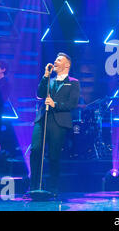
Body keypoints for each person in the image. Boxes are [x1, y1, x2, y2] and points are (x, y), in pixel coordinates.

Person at [28, 52, 80, 197]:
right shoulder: (49, 80)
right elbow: (39, 94)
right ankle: (33, 185)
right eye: (55, 59)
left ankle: (53, 187)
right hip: (42, 118)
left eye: (59, 60)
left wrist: (55, 104)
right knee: (36, 149)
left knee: (53, 155)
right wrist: (45, 75)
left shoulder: (73, 82)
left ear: (67, 64)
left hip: (59, 120)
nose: (55, 61)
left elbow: (72, 103)